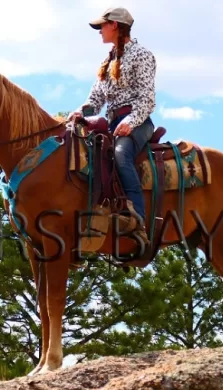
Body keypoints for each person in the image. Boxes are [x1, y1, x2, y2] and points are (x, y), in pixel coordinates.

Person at [69, 6, 157, 246]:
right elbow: (96, 99)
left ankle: (136, 216)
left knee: (120, 153)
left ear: (115, 26)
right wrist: (81, 112)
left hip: (138, 122)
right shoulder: (107, 61)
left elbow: (147, 98)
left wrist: (130, 122)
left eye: (102, 26)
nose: (99, 31)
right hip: (111, 123)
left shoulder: (142, 55)